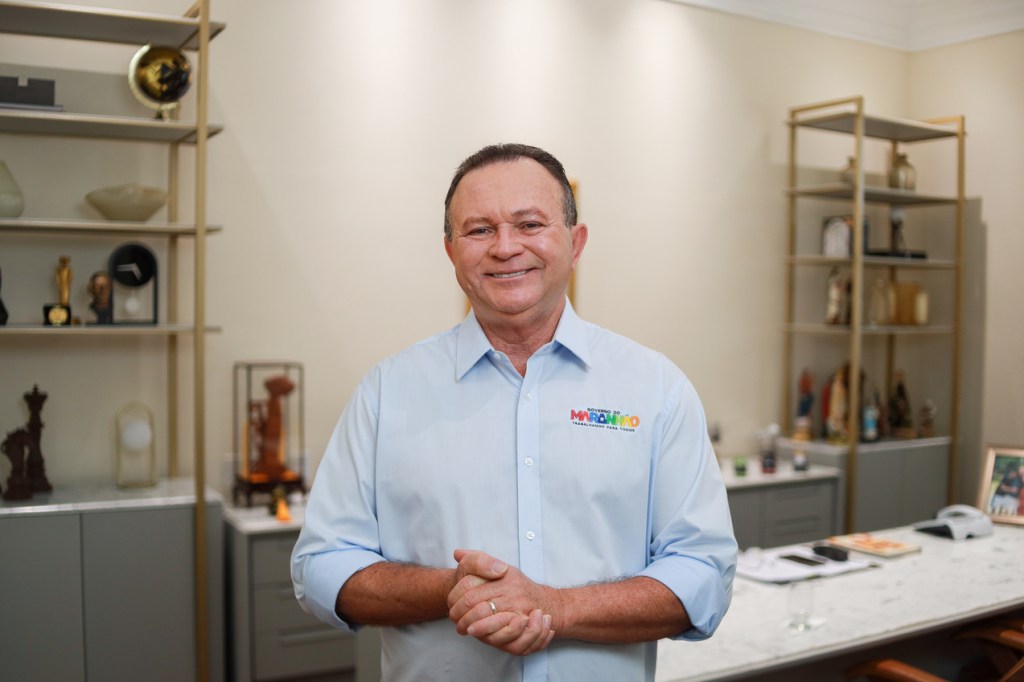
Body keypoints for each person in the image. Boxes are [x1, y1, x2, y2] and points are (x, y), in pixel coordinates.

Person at [291, 143, 737, 681]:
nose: (505, 247)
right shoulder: (387, 393)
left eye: (529, 224)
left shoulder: (656, 389)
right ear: (451, 252)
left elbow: (704, 573)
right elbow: (320, 566)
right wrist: (450, 590)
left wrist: (558, 607)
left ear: (576, 242)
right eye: (479, 230)